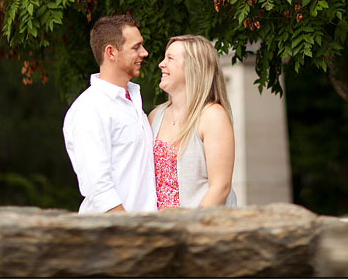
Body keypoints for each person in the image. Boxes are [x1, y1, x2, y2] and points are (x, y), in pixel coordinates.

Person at [63, 14, 157, 213]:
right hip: (115, 229)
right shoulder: (89, 109)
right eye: (136, 47)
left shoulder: (132, 100)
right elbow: (99, 188)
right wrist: (131, 229)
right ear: (111, 52)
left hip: (145, 226)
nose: (145, 53)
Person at [148, 35, 237, 208]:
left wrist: (193, 222)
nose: (161, 64)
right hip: (160, 223)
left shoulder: (212, 116)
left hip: (201, 222)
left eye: (170, 58)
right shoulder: (155, 116)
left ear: (193, 67)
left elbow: (220, 188)